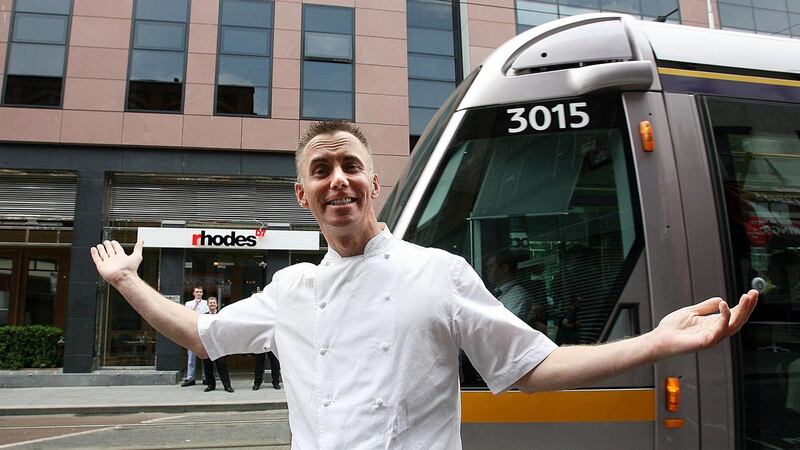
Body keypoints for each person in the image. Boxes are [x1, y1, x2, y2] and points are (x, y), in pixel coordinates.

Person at [91, 120, 758, 449]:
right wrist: (126, 280)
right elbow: (200, 336)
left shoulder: (436, 273)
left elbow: (533, 366)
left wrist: (655, 340)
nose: (338, 180)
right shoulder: (289, 290)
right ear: (303, 194)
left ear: (375, 183)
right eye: (321, 170)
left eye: (351, 164)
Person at [201, 297, 233, 393]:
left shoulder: (221, 315)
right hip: (207, 344)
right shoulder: (203, 316)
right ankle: (210, 385)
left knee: (222, 366)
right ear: (207, 305)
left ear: (217, 304)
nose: (212, 304)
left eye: (213, 303)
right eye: (210, 303)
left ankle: (227, 386)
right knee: (207, 366)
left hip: (219, 345)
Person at [180, 286, 208, 387]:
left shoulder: (206, 303)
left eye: (200, 292)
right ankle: (190, 378)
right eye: (197, 292)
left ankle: (206, 377)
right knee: (191, 357)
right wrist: (196, 304)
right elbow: (187, 315)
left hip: (203, 331)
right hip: (192, 332)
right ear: (193, 293)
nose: (198, 294)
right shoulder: (189, 304)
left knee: (205, 356)